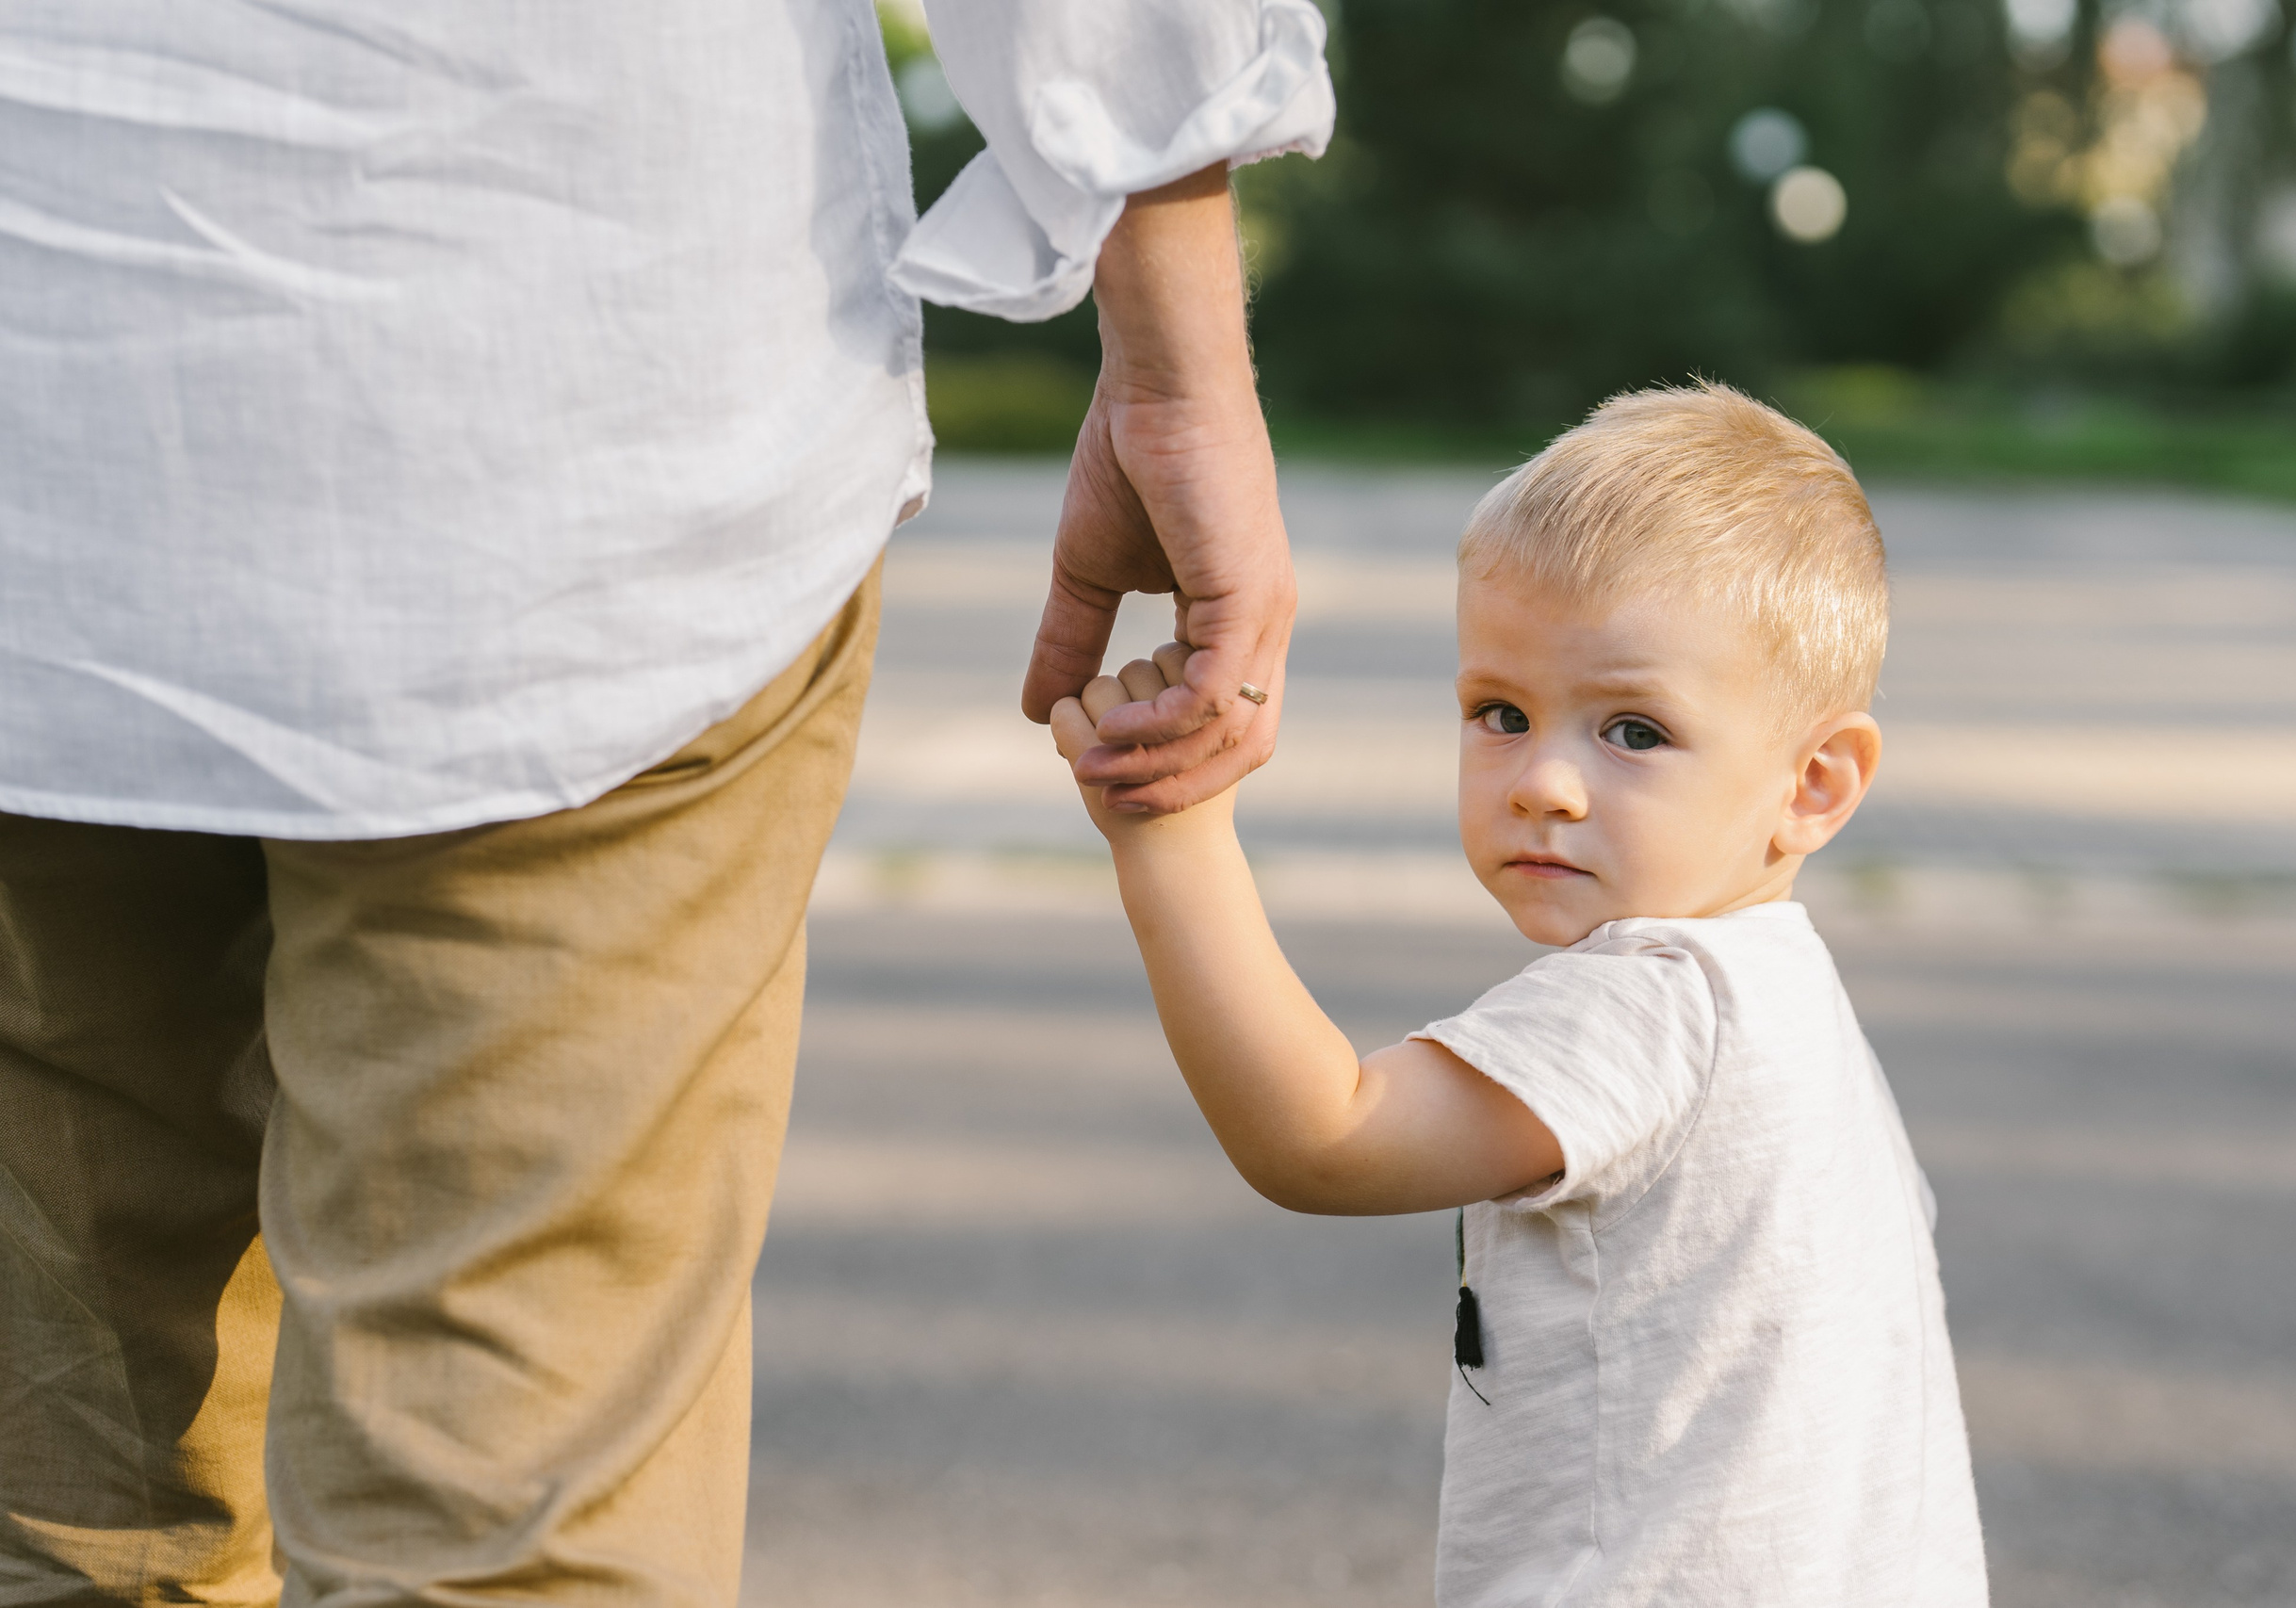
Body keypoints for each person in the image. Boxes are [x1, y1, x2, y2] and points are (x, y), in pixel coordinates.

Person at [0, 2, 1329, 1601]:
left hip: (43, 402)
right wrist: (1178, 366)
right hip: (565, 426)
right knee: (498, 1529)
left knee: (68, 1499)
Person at [1050, 383, 1991, 1606]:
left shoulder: (1659, 1003)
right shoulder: (1792, 1000)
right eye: (1501, 713)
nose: (1542, 781)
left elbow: (1323, 1138)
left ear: (1813, 784)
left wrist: (1170, 842)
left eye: (1633, 732)